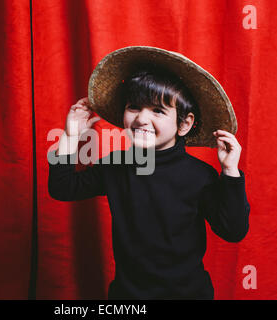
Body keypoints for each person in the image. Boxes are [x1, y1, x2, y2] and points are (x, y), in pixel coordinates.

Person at [47, 46, 250, 299]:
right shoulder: (116, 165)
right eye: (134, 107)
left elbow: (233, 231)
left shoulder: (200, 176)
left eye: (158, 111)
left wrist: (230, 172)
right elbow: (62, 188)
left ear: (184, 124)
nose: (142, 119)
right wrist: (70, 136)